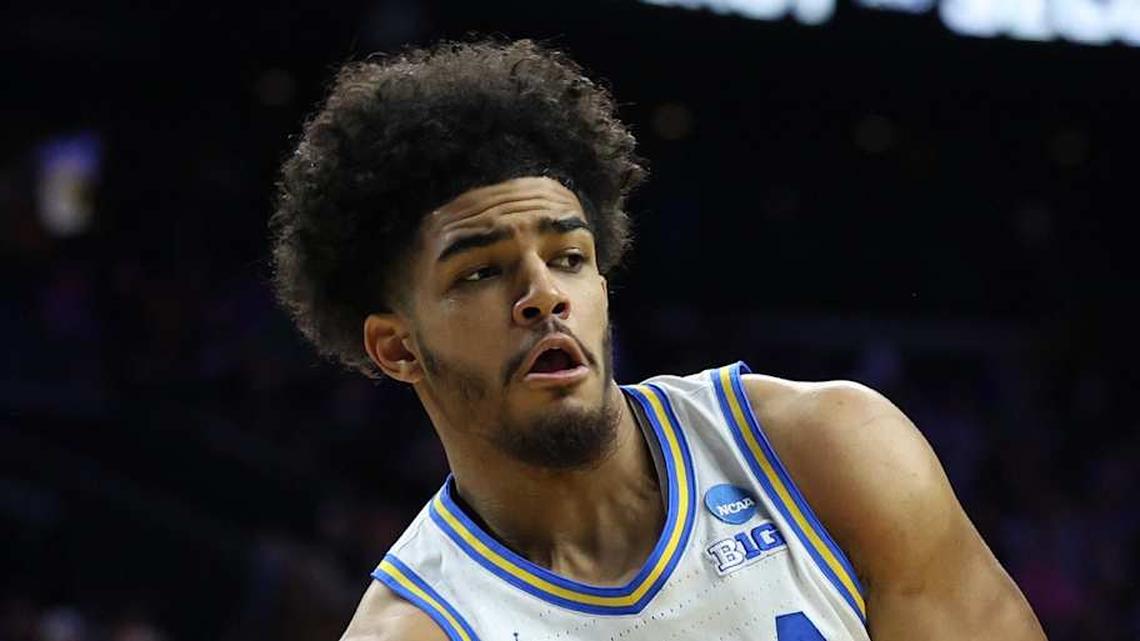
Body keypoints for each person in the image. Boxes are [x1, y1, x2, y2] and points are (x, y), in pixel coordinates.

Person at [269, 38, 1046, 641]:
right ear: (398, 347)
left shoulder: (826, 451)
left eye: (569, 257)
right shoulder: (420, 626)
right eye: (480, 272)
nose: (544, 294)